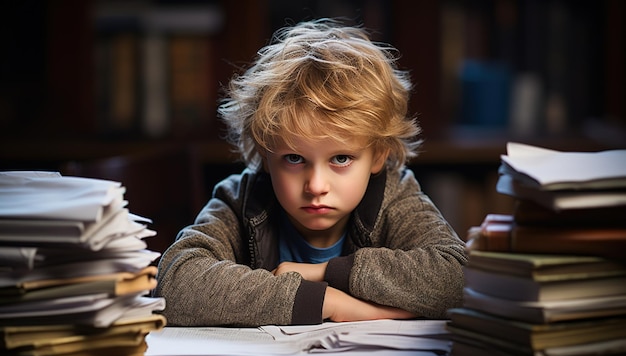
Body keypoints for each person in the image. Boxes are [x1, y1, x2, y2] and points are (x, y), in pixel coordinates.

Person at [154, 18, 468, 327]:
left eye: (341, 159)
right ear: (265, 153)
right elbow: (175, 284)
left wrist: (326, 272)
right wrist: (328, 302)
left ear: (379, 155)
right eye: (294, 158)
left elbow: (459, 277)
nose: (316, 186)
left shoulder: (395, 197)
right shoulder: (240, 200)